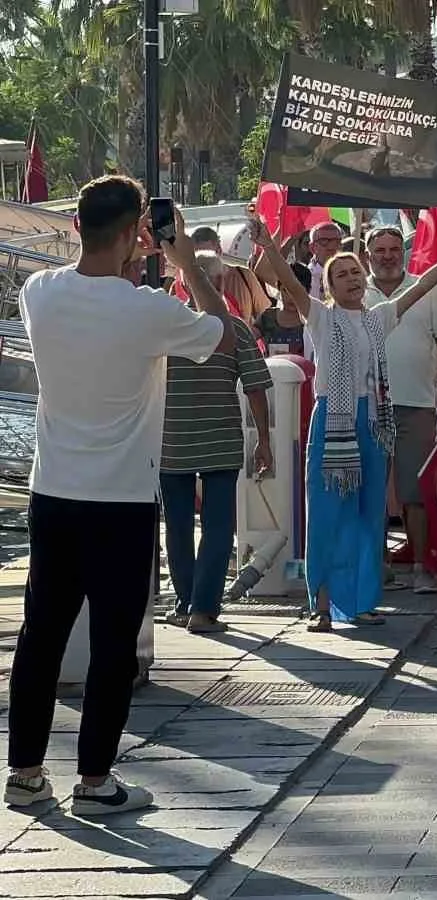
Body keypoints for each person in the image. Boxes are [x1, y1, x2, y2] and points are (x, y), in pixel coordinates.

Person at [6, 176, 236, 816]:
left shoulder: (40, 293)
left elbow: (84, 282)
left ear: (76, 226)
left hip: (54, 491)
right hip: (124, 502)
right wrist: (185, 258)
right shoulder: (149, 311)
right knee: (112, 644)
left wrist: (134, 250)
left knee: (41, 636)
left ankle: (24, 773)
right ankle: (95, 781)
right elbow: (221, 333)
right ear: (139, 234)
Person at [249, 216, 437, 633]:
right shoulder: (320, 317)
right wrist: (269, 245)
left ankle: (360, 600)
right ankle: (322, 605)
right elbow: (289, 281)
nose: (352, 279)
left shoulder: (378, 317)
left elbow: (424, 284)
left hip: (373, 423)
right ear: (331, 286)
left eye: (355, 272)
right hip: (333, 423)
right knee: (327, 513)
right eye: (341, 274)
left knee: (368, 515)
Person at [160, 250, 275, 634]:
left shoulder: (166, 327)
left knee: (176, 525)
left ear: (181, 282)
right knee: (218, 525)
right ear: (221, 284)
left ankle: (184, 601)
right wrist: (263, 440)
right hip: (221, 439)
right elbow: (256, 388)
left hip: (170, 441)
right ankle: (204, 609)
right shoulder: (236, 329)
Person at [366, 225, 437, 595]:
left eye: (395, 249)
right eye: (381, 250)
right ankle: (375, 566)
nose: (389, 255)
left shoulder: (428, 291)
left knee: (415, 492)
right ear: (368, 255)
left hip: (418, 404)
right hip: (369, 408)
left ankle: (422, 567)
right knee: (370, 490)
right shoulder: (354, 292)